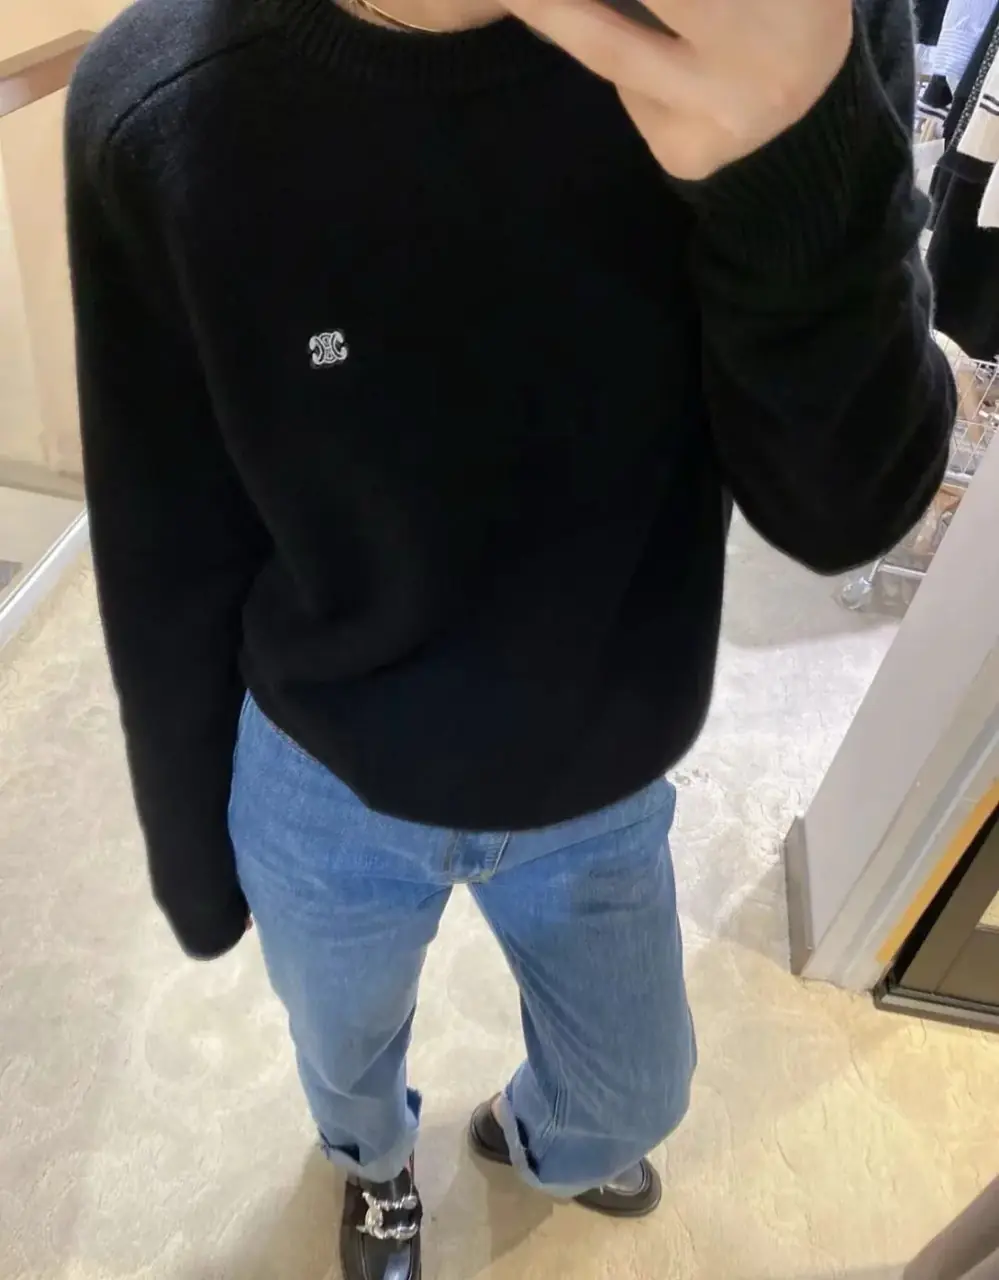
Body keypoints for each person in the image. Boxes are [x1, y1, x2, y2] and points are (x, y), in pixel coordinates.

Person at [65, 0, 955, 1275]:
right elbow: (165, 532)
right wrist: (190, 861)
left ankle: (539, 1137)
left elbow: (850, 509)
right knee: (342, 1059)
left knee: (632, 1095)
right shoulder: (160, 102)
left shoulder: (791, 21)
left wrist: (796, 168)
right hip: (321, 771)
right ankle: (375, 1168)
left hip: (598, 772)